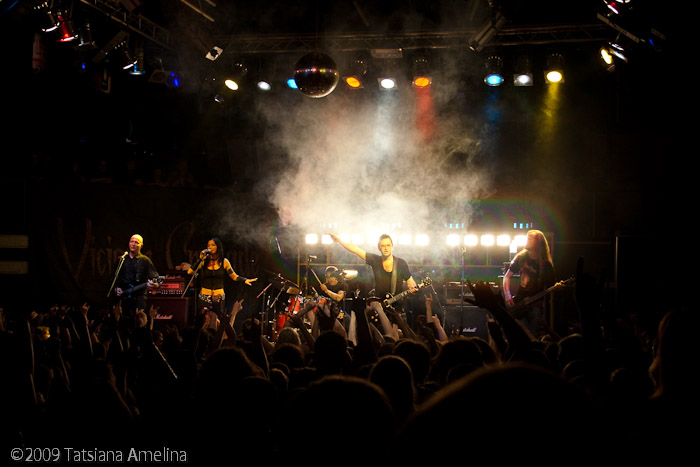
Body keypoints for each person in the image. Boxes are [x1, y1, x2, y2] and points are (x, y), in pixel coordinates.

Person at [187, 237, 257, 321]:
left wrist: (245, 280)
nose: (210, 247)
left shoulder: (224, 262)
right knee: (203, 322)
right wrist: (200, 258)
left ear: (218, 247)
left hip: (219, 298)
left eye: (213, 245)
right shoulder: (204, 262)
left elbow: (234, 276)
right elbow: (190, 272)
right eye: (208, 245)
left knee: (217, 322)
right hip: (204, 297)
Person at [502, 229, 555, 338]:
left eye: (529, 239)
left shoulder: (546, 265)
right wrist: (507, 295)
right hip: (519, 302)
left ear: (538, 242)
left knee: (532, 335)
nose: (526, 240)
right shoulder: (521, 258)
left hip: (536, 305)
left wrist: (545, 312)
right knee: (519, 333)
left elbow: (550, 289)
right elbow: (507, 276)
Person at [112, 234, 160, 319]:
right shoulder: (122, 259)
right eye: (131, 242)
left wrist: (154, 284)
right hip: (123, 298)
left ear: (141, 245)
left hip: (139, 298)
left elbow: (156, 279)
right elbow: (113, 278)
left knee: (138, 321)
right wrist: (116, 288)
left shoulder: (145, 260)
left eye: (136, 242)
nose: (133, 244)